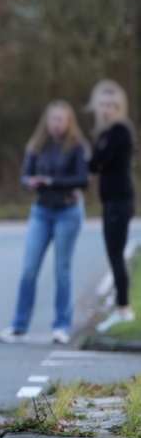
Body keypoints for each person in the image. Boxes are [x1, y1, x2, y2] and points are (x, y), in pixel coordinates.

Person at [0, 101, 90, 345]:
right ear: (46, 121)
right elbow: (24, 176)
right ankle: (19, 325)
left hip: (67, 212)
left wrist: (51, 181)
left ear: (69, 122)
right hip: (41, 212)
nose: (56, 124)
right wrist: (31, 182)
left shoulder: (76, 147)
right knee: (29, 269)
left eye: (61, 120)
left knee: (62, 270)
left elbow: (82, 180)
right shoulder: (37, 146)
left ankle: (61, 326)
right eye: (53, 119)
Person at [90, 80, 135, 330]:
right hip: (109, 201)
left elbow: (100, 162)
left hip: (120, 200)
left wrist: (97, 161)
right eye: (103, 104)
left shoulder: (120, 131)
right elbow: (94, 164)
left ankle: (124, 308)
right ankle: (121, 306)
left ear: (120, 107)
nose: (107, 109)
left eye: (112, 105)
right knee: (112, 254)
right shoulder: (104, 133)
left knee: (116, 254)